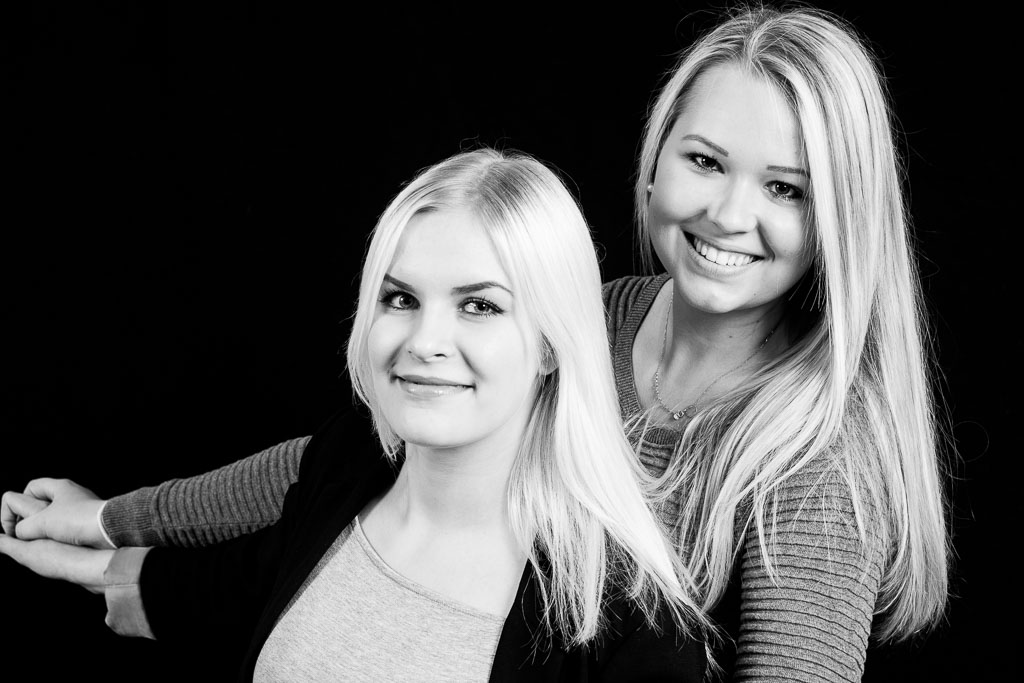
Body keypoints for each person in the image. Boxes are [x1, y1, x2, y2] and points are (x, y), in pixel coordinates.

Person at [2, 5, 950, 681]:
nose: (730, 213)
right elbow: (337, 469)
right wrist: (118, 522)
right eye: (704, 161)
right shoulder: (593, 317)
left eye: (786, 188)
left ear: (842, 218)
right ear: (655, 164)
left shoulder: (818, 467)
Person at [0, 148, 709, 681]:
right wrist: (80, 540)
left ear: (552, 343)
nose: (424, 341)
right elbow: (224, 587)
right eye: (401, 298)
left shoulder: (632, 621)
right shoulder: (347, 465)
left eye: (479, 305)